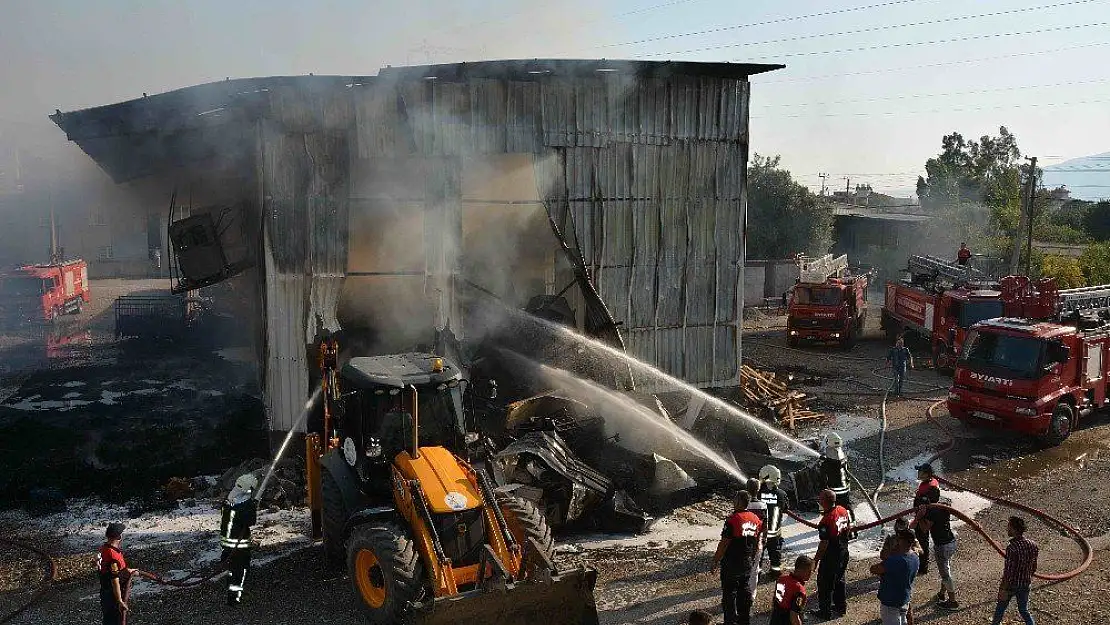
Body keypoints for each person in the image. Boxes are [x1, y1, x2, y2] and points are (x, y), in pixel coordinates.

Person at [712, 491, 764, 625]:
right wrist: (752, 558)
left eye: (735, 499)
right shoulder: (755, 519)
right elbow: (758, 540)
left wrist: (715, 561)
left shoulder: (732, 519)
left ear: (740, 501)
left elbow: (724, 543)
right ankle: (744, 620)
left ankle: (729, 621)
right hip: (746, 562)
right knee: (744, 591)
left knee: (729, 595)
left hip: (731, 563)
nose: (733, 501)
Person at [97, 522, 152, 625]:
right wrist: (119, 601)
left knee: (109, 619)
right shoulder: (112, 555)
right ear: (119, 537)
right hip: (112, 595)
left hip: (105, 592)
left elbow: (114, 571)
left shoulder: (104, 548)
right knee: (114, 621)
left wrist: (129, 571)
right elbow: (114, 580)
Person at [912, 495, 959, 611]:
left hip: (942, 546)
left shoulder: (930, 514)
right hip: (951, 542)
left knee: (945, 574)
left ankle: (952, 601)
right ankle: (942, 594)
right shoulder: (941, 508)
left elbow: (924, 529)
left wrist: (919, 517)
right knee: (946, 569)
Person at [811, 489, 851, 621]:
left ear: (825, 501)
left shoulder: (826, 520)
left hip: (832, 555)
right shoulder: (842, 510)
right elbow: (848, 528)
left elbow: (824, 543)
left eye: (821, 499)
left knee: (824, 584)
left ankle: (825, 612)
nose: (819, 501)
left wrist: (816, 560)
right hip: (844, 551)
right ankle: (841, 606)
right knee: (839, 580)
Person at [991, 516, 1040, 625]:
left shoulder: (1012, 548)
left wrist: (1003, 589)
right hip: (1026, 583)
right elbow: (1034, 567)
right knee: (1024, 610)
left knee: (1000, 610)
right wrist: (1027, 577)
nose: (1007, 529)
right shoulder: (1033, 545)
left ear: (1013, 528)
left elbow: (1008, 572)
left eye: (1008, 526)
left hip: (1011, 585)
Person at [221, 473, 260, 606]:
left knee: (232, 571)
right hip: (238, 547)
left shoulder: (230, 499)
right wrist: (252, 508)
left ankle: (232, 594)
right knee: (240, 572)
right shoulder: (241, 506)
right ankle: (234, 598)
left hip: (228, 545)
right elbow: (250, 520)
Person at [870, 528, 920, 625]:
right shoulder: (915, 557)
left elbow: (873, 569)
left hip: (891, 602)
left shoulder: (895, 560)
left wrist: (891, 555)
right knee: (903, 621)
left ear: (902, 541)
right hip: (904, 598)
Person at [758, 465, 790, 577]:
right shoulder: (782, 494)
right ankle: (775, 571)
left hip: (761, 530)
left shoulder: (758, 494)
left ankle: (756, 572)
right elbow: (786, 508)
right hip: (774, 531)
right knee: (775, 553)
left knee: (758, 552)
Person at [911, 464, 940, 577]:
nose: (918, 473)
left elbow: (925, 508)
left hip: (924, 519)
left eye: (920, 471)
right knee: (921, 541)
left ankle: (923, 568)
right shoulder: (927, 483)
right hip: (922, 517)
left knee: (922, 542)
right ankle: (921, 564)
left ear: (926, 474)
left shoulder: (931, 488)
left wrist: (916, 521)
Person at [769, 556, 813, 625]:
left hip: (775, 618)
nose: (811, 574)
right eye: (809, 571)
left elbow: (776, 600)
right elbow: (794, 615)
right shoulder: (799, 590)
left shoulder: (782, 579)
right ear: (802, 571)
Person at [820, 433, 852, 519]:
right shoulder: (843, 457)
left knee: (833, 511)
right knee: (847, 508)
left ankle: (834, 525)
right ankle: (851, 524)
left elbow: (822, 477)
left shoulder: (826, 464)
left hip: (834, 492)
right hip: (845, 489)